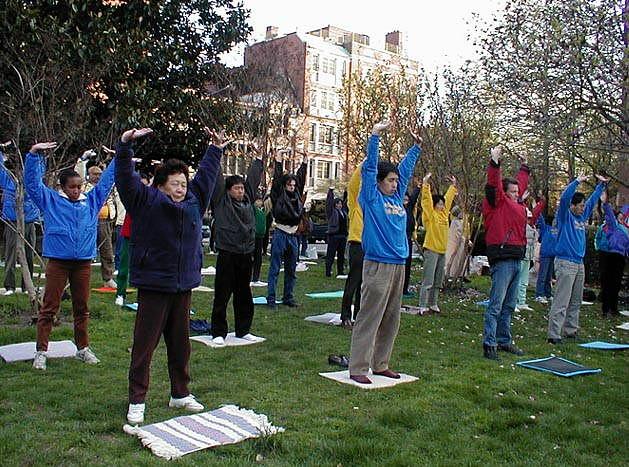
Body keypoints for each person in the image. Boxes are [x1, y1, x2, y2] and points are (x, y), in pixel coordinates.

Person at [116, 127, 225, 425]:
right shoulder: (145, 201)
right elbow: (125, 179)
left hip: (183, 285)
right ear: (161, 185)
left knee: (181, 345)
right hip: (154, 285)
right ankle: (137, 399)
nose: (181, 188)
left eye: (183, 183)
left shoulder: (194, 202)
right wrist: (125, 146)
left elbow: (206, 176)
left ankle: (180, 394)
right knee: (144, 346)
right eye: (175, 184)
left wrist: (215, 148)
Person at [25, 141, 116, 370]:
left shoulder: (91, 201)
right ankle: (41, 351)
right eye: (72, 187)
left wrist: (120, 154)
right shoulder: (52, 201)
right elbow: (33, 186)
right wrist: (34, 156)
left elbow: (106, 182)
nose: (76, 191)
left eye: (79, 186)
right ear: (63, 187)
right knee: (49, 307)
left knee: (82, 307)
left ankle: (83, 349)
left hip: (83, 263)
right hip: (58, 261)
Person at [348, 121, 422, 385]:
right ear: (378, 182)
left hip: (398, 264)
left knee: (392, 317)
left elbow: (405, 168)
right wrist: (375, 136)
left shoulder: (395, 197)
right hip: (377, 264)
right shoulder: (371, 197)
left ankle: (381, 364)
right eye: (390, 180)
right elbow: (370, 168)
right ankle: (358, 365)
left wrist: (416, 147)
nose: (395, 184)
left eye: (395, 181)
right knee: (370, 316)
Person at [481, 146, 530, 360]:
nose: (517, 195)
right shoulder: (497, 203)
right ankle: (489, 343)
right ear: (504, 193)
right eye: (513, 192)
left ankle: (503, 340)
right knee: (496, 304)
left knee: (509, 305)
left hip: (516, 258)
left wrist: (525, 167)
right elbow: (494, 183)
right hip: (502, 259)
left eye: (518, 193)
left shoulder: (516, 205)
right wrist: (495, 162)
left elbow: (521, 184)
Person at [209, 153, 263, 345]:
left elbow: (253, 180)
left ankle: (243, 330)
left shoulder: (248, 200)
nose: (241, 191)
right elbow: (216, 179)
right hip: (227, 253)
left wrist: (257, 160)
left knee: (244, 294)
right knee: (222, 294)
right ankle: (218, 332)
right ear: (228, 190)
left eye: (242, 188)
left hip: (245, 254)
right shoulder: (221, 201)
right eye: (237, 188)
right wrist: (215, 152)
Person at [547, 174, 607, 344]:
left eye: (582, 206)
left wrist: (601, 186)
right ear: (572, 206)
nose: (582, 209)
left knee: (575, 300)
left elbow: (593, 200)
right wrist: (577, 182)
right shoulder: (565, 216)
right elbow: (565, 197)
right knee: (562, 300)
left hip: (579, 263)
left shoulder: (582, 215)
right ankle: (554, 334)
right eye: (579, 206)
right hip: (565, 262)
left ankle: (571, 330)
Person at [266, 150, 306, 308]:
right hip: (281, 233)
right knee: (275, 267)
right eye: (289, 184)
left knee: (291, 269)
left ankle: (288, 297)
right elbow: (276, 180)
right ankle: (271, 298)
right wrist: (278, 160)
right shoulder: (278, 194)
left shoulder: (296, 194)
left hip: (293, 234)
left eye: (293, 184)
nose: (292, 186)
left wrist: (304, 161)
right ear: (284, 185)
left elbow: (301, 179)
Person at [0, 144, 41, 295]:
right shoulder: (7, 181)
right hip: (12, 221)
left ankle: (26, 285)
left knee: (29, 255)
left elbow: (38, 169)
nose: (18, 171)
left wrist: (38, 154)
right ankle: (9, 286)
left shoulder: (30, 183)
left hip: (29, 221)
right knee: (10, 255)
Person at [417, 173, 457, 314]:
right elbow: (426, 201)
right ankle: (423, 304)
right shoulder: (430, 214)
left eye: (442, 204)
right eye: (439, 204)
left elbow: (449, 198)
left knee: (438, 280)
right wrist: (425, 184)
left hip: (441, 250)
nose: (441, 205)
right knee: (428, 279)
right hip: (431, 250)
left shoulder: (444, 215)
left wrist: (453, 186)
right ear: (435, 205)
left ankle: (433, 303)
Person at [115, 173, 150, 306]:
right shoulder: (132, 198)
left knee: (145, 267)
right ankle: (120, 294)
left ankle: (144, 296)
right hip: (129, 234)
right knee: (124, 266)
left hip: (145, 236)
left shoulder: (152, 200)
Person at [82, 164, 118, 288]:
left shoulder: (107, 188)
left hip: (106, 221)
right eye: (95, 174)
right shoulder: (84, 187)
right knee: (86, 248)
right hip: (90, 222)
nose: (98, 176)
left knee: (107, 249)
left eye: (99, 174)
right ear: (89, 174)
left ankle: (108, 277)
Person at [594, 191, 627, 317]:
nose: (622, 217)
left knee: (616, 284)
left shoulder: (625, 230)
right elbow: (609, 215)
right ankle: (605, 309)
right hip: (611, 256)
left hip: (620, 257)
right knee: (608, 282)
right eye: (620, 215)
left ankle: (613, 308)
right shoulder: (613, 226)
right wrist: (605, 203)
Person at [340, 164, 363, 329]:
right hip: (357, 244)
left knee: (364, 285)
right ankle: (345, 315)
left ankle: (359, 316)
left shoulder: (372, 206)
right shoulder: (355, 205)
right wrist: (363, 165)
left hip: (370, 248)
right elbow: (353, 185)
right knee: (353, 281)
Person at [516, 197, 545, 311]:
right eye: (528, 218)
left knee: (524, 280)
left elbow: (537, 214)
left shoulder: (532, 227)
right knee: (517, 280)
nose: (530, 219)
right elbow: (536, 212)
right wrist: (522, 201)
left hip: (528, 256)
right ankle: (514, 301)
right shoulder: (521, 225)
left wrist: (538, 203)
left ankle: (521, 301)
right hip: (521, 255)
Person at [402, 179, 420, 296]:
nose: (406, 201)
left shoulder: (408, 208)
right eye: (404, 199)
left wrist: (418, 188)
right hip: (398, 240)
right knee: (401, 265)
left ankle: (404, 288)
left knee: (407, 265)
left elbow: (413, 199)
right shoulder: (397, 208)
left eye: (407, 200)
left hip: (407, 239)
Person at [535, 212, 558, 304]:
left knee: (549, 276)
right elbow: (540, 219)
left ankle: (548, 294)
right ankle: (539, 294)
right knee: (542, 275)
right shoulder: (546, 228)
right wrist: (538, 206)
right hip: (545, 255)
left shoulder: (558, 229)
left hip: (553, 255)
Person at [325, 187, 348, 277]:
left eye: (340, 204)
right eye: (338, 204)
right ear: (335, 205)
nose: (340, 205)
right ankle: (328, 272)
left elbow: (347, 202)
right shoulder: (332, 212)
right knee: (330, 255)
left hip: (342, 236)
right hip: (334, 236)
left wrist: (346, 192)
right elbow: (328, 203)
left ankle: (340, 271)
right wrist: (330, 192)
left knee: (341, 255)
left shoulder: (344, 212)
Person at [445, 206, 471, 281]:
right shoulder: (455, 222)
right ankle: (454, 274)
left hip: (461, 244)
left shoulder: (461, 221)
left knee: (461, 258)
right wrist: (467, 240)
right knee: (456, 259)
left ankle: (461, 274)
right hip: (456, 244)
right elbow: (459, 234)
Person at [251, 196, 267, 286]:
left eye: (260, 201)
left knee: (258, 258)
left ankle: (256, 278)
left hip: (261, 236)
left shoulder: (263, 210)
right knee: (251, 257)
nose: (259, 202)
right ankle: (249, 277)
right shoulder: (253, 209)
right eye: (257, 200)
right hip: (253, 236)